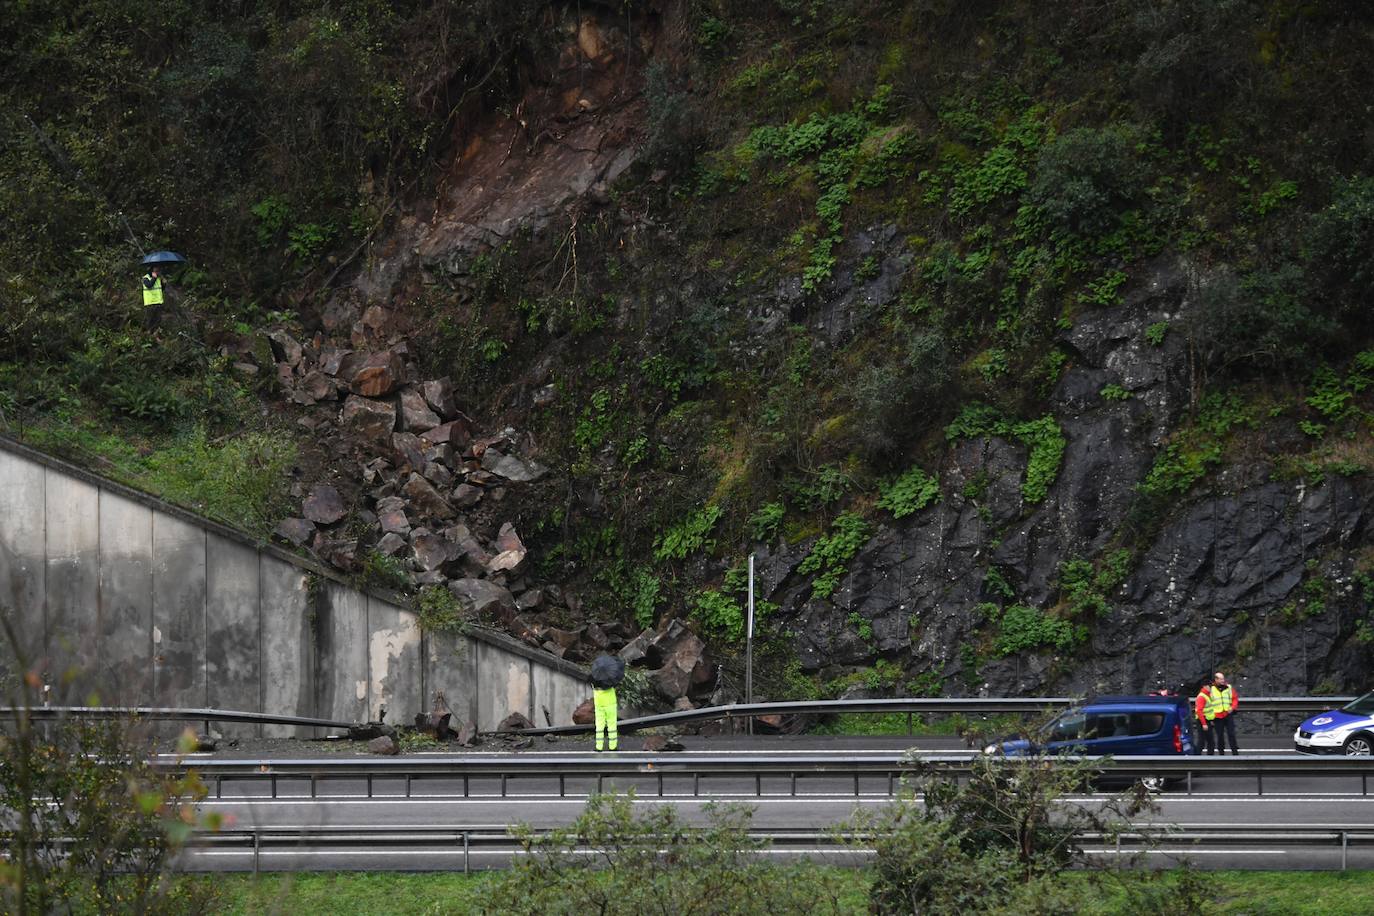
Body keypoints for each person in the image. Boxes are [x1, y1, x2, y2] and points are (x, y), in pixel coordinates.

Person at [589, 653, 625, 752]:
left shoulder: (593, 679)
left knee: (599, 726)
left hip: (599, 705)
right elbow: (615, 683)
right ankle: (612, 746)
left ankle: (599, 746)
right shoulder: (610, 681)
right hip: (610, 704)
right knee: (612, 725)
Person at [1210, 671, 1240, 755]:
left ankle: (1235, 752)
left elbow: (1234, 698)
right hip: (1217, 716)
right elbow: (1208, 702)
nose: (1223, 680)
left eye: (1223, 678)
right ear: (1216, 679)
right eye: (1221, 679)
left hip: (1228, 713)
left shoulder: (1229, 687)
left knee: (1231, 734)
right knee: (1220, 736)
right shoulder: (1211, 689)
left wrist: (1233, 707)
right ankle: (1221, 752)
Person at [1194, 679, 1217, 755]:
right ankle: (1198, 758)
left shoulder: (1207, 695)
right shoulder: (1202, 697)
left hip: (1207, 721)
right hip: (1203, 721)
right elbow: (1199, 711)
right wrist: (1204, 724)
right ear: (1205, 686)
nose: (1211, 687)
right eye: (1210, 686)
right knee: (1204, 741)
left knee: (1208, 741)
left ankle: (1204, 758)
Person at [141, 265, 164, 329]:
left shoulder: (158, 278)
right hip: (150, 303)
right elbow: (149, 285)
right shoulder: (146, 278)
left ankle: (156, 335)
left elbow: (161, 289)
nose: (157, 270)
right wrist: (154, 278)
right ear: (152, 269)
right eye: (155, 268)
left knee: (158, 320)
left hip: (158, 302)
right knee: (150, 321)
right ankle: (148, 334)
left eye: (158, 269)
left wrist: (164, 283)